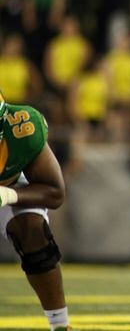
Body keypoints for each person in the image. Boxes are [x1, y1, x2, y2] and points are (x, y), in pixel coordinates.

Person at [0, 91, 74, 331]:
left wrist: (9, 195)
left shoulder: (21, 128)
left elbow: (55, 191)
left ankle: (60, 325)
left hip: (5, 185)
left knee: (32, 229)